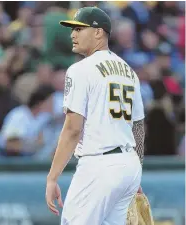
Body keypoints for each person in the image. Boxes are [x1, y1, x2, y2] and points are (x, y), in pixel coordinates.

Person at [46, 7, 145, 225]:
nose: (73, 34)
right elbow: (137, 127)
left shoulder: (81, 69)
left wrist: (52, 177)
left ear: (98, 32)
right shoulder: (129, 71)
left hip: (99, 166)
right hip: (127, 163)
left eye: (79, 29)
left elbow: (73, 129)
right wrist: (134, 171)